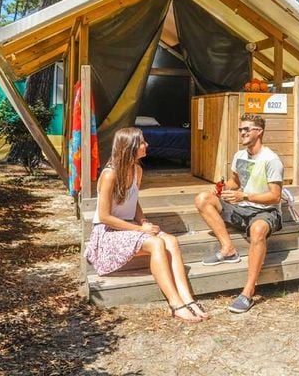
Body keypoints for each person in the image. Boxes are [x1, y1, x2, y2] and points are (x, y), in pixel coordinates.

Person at [85, 127, 208, 323]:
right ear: (130, 147)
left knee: (172, 241)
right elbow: (105, 217)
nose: (146, 145)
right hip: (107, 232)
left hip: (129, 226)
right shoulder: (110, 174)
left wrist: (143, 220)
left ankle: (188, 299)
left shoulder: (137, 170)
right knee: (157, 243)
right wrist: (140, 229)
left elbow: (133, 201)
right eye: (142, 142)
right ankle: (176, 304)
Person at [195, 113, 284, 313]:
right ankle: (228, 249)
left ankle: (248, 291)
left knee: (258, 230)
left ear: (259, 132)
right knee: (202, 199)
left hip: (265, 211)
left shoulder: (271, 160)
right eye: (240, 129)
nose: (242, 132)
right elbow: (235, 182)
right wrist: (222, 188)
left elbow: (275, 197)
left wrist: (244, 196)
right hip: (241, 207)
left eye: (246, 129)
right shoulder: (239, 156)